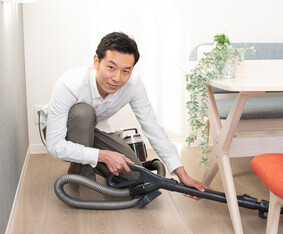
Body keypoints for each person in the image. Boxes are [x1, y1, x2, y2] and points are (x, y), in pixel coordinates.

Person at [40, 32, 207, 199]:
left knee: (135, 178)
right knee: (83, 112)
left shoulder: (133, 84)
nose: (117, 78)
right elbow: (54, 145)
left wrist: (182, 175)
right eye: (111, 67)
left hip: (96, 130)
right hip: (62, 130)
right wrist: (103, 155)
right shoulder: (69, 84)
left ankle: (81, 164)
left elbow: (152, 128)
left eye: (126, 71)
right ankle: (84, 179)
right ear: (96, 61)